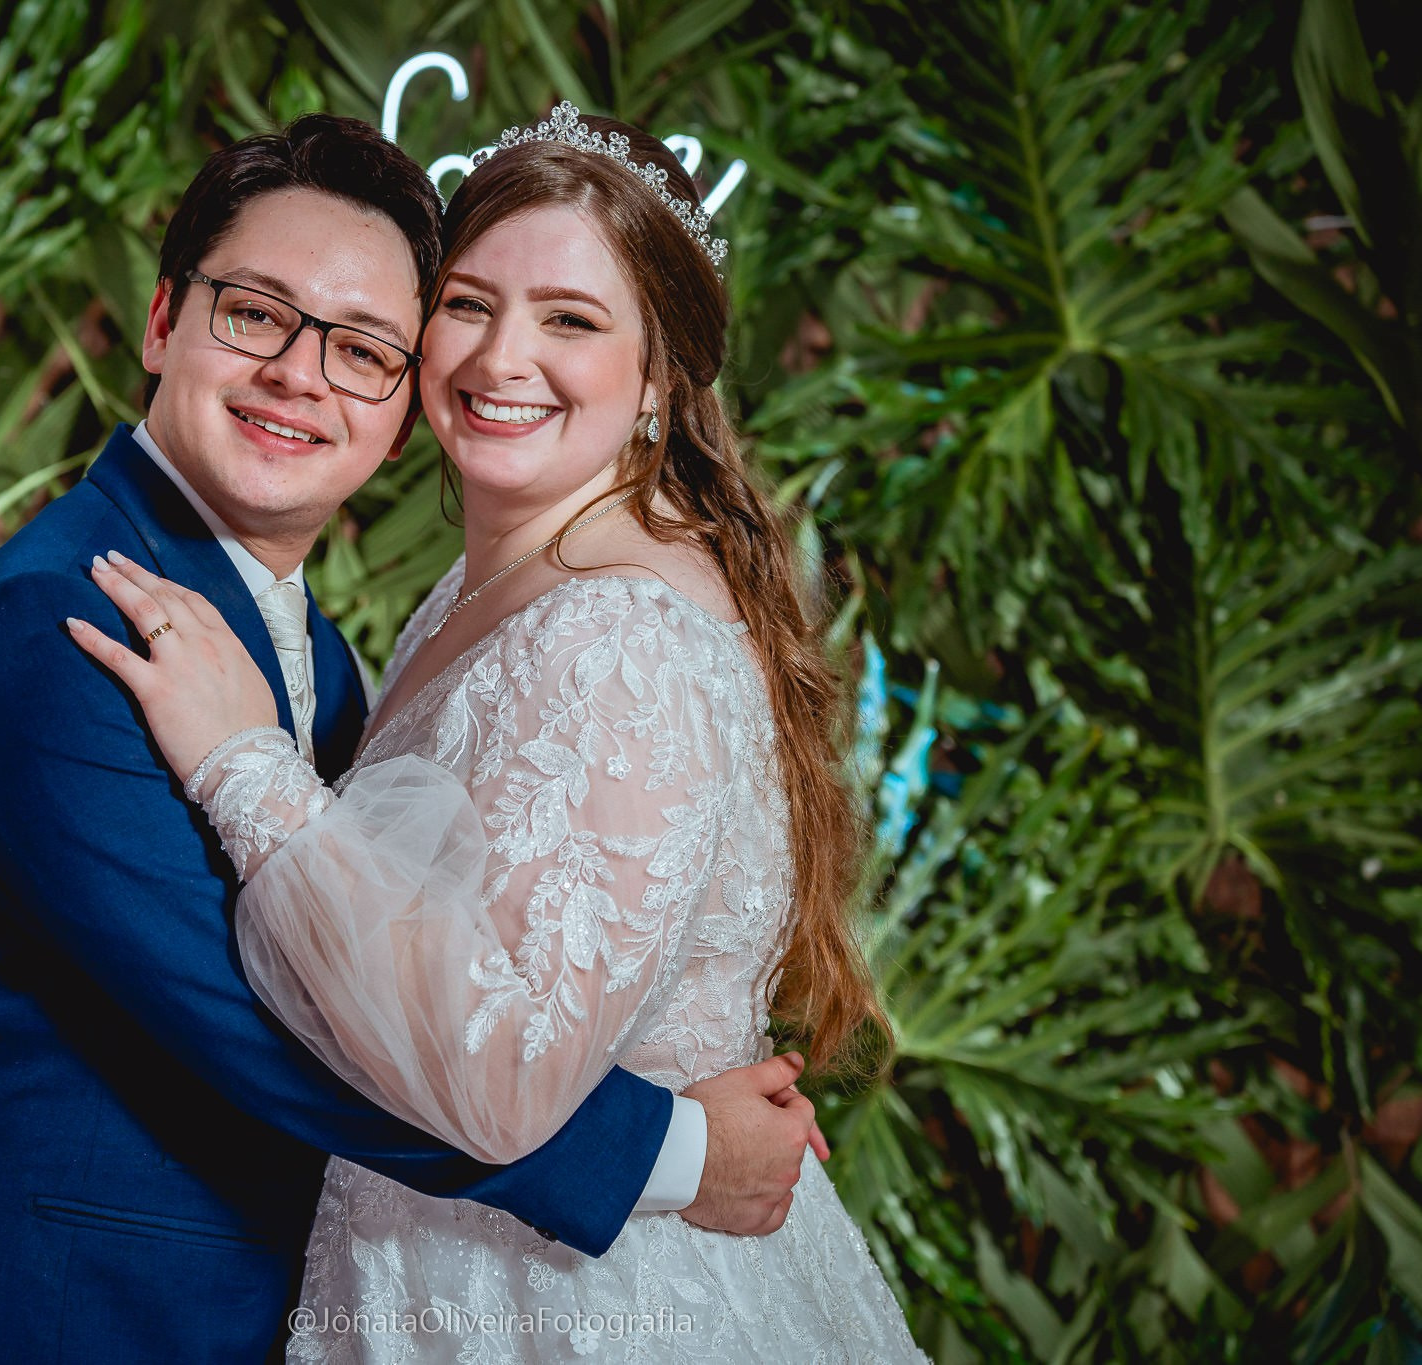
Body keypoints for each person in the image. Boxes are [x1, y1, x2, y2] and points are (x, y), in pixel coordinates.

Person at [0, 113, 823, 1364]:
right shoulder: (68, 620)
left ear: (399, 411)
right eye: (254, 315)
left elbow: (362, 953)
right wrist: (673, 1153)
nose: (301, 373)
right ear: (163, 322)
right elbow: (269, 1021)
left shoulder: (332, 655)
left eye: (360, 349)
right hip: (52, 1314)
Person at [70, 105, 928, 1361]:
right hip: (444, 1265)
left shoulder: (619, 639)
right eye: (467, 304)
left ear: (655, 382)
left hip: (563, 1301)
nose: (496, 357)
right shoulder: (498, 583)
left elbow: (508, 1072)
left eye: (570, 320)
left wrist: (241, 763)